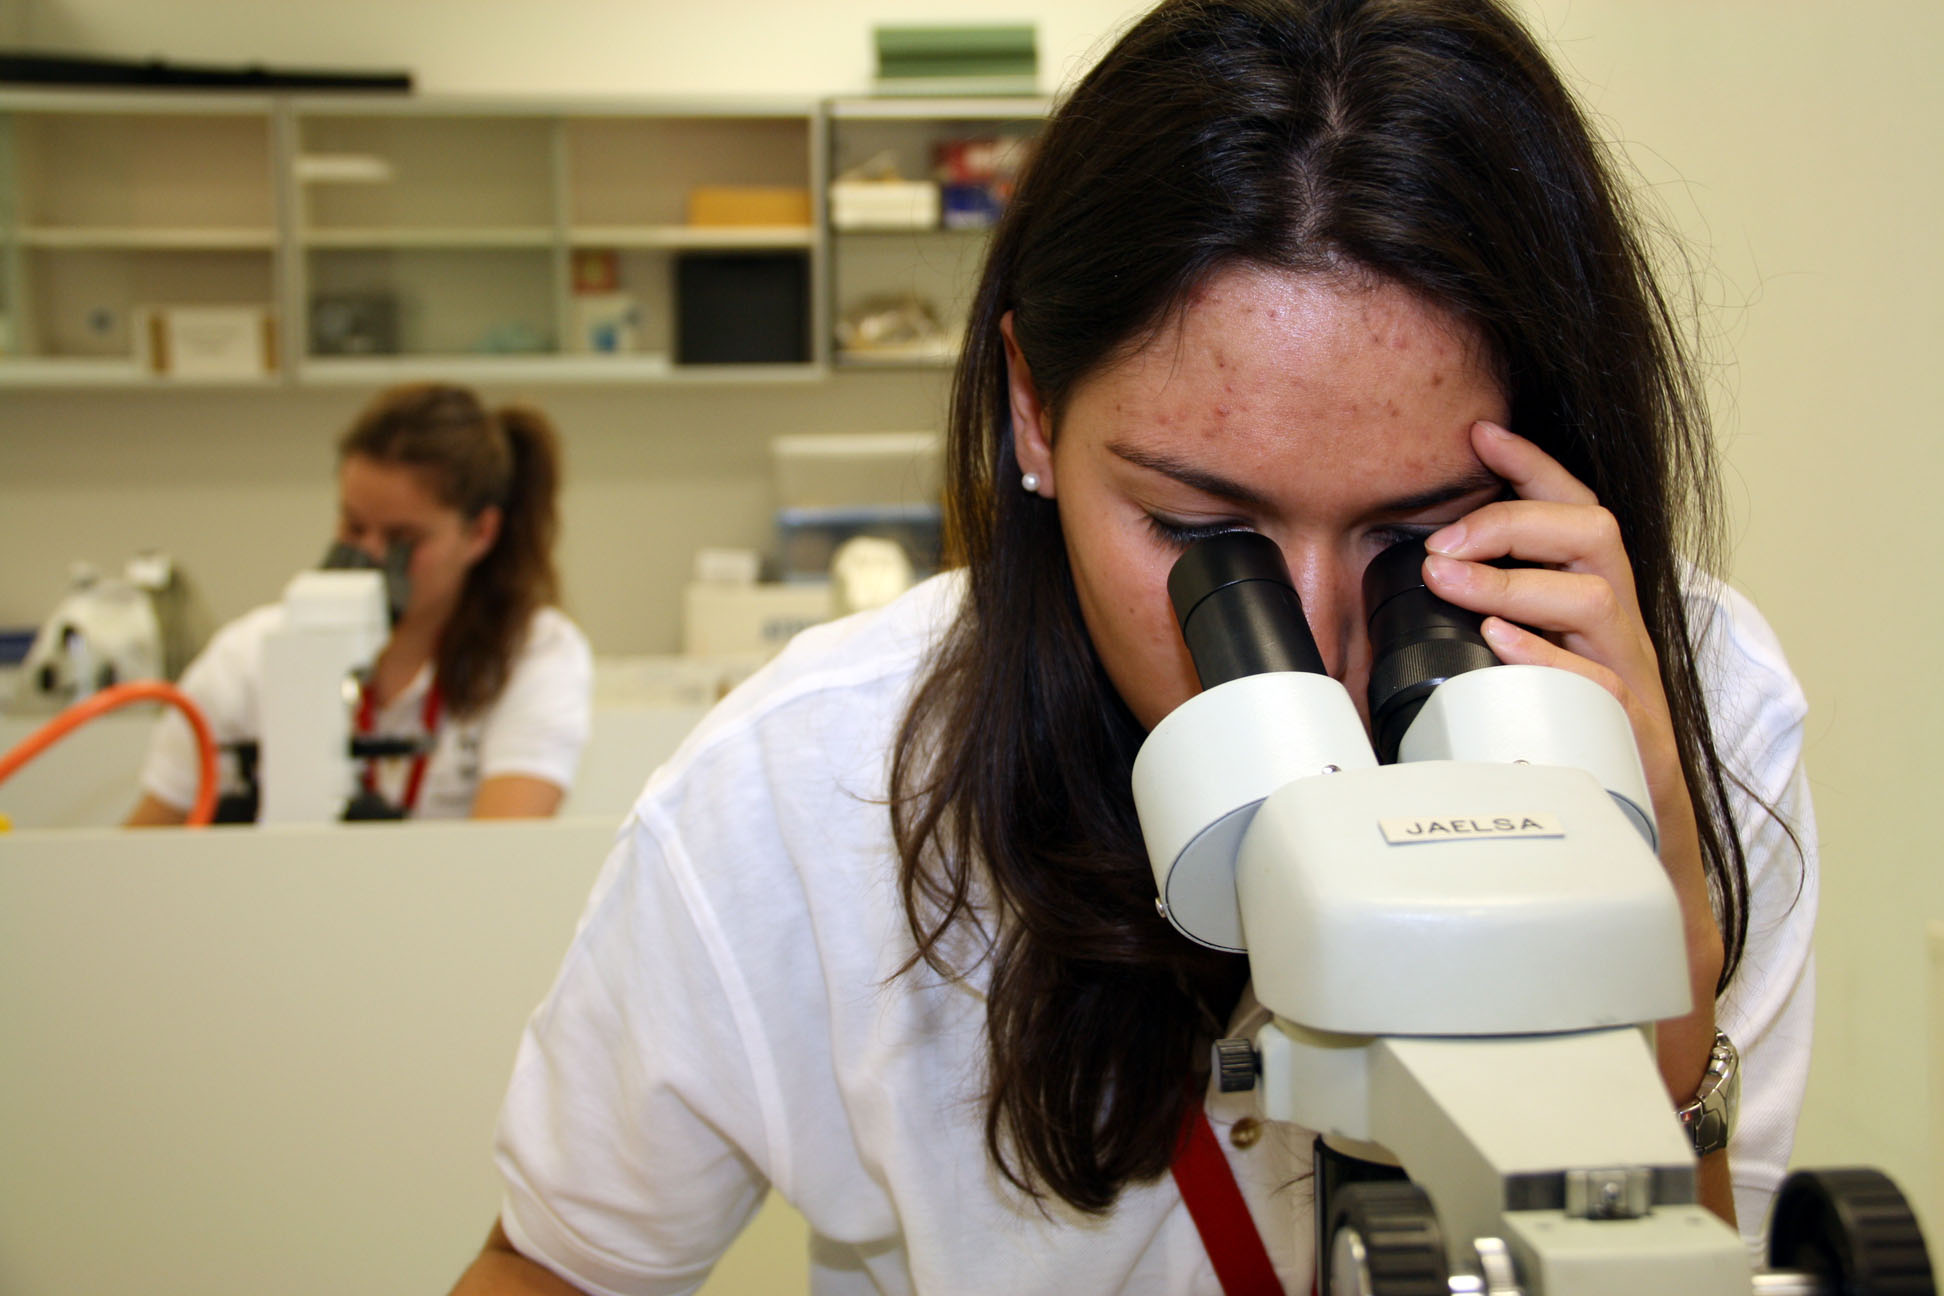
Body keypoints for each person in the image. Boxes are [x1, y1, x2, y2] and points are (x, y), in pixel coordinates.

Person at [455, 1, 1816, 1291]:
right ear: (1035, 414)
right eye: (1204, 531)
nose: (1314, 643)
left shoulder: (1684, 710)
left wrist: (1654, 948)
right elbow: (557, 1267)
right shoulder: (806, 785)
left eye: (1416, 534)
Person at [127, 383, 592, 824]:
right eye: (353, 527)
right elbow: (145, 848)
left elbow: (501, 854)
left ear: (481, 533)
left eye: (403, 539)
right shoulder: (246, 658)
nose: (371, 555)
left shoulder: (533, 654)